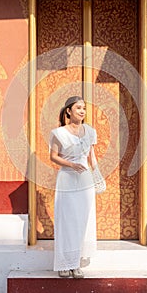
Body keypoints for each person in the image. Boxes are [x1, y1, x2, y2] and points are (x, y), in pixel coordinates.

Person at [49, 96, 97, 279]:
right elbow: (53, 157)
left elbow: (92, 157)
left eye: (84, 108)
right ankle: (64, 264)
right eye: (78, 108)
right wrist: (71, 165)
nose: (82, 111)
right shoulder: (58, 133)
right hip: (67, 179)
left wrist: (97, 176)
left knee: (83, 221)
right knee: (67, 221)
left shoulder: (90, 132)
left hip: (85, 180)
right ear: (69, 111)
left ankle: (76, 263)